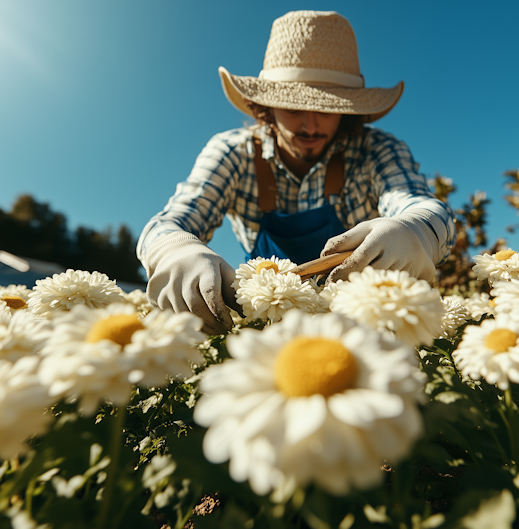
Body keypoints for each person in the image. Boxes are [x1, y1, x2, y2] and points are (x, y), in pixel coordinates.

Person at [137, 10, 457, 335]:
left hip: (358, 325)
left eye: (327, 109)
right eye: (292, 108)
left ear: (348, 113)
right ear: (266, 107)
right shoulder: (232, 151)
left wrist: (414, 229)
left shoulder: (377, 149)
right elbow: (172, 220)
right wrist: (175, 248)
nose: (309, 125)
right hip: (262, 324)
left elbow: (423, 206)